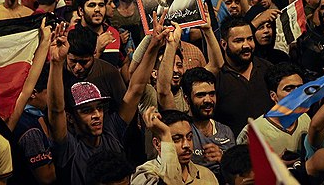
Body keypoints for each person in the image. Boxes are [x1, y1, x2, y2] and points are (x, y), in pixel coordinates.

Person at [47, 13, 167, 184]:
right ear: (70, 118)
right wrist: (57, 63)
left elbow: (135, 89)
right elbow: (56, 109)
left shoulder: (111, 132)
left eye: (99, 108)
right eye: (87, 110)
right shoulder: (69, 147)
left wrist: (154, 45)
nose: (97, 114)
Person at [236, 63, 310, 161]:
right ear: (273, 96)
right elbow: (243, 171)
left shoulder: (305, 119)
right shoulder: (253, 132)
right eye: (288, 89)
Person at [131, 108, 218, 184]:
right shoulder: (144, 174)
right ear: (157, 144)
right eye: (176, 139)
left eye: (189, 137)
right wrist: (165, 135)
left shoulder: (206, 174)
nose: (186, 145)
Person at [181, 67, 236, 179]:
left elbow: (236, 174)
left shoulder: (226, 132)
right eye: (200, 95)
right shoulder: (181, 131)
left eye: (211, 94)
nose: (208, 100)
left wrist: (223, 159)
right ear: (187, 99)